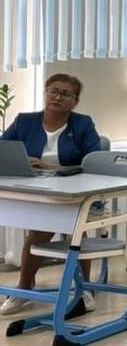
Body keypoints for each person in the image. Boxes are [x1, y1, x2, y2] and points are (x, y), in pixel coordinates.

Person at [0, 74, 102, 315]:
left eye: (65, 94)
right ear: (45, 94)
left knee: (72, 231)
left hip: (76, 190)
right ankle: (25, 288)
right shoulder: (25, 121)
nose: (57, 97)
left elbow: (94, 162)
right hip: (35, 188)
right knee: (39, 232)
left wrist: (50, 167)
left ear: (75, 101)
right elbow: (3, 149)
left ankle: (83, 290)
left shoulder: (83, 124)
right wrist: (24, 161)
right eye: (53, 91)